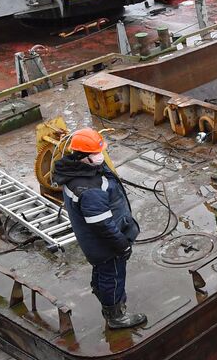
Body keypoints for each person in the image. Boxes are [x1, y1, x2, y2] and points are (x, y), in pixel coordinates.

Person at [51, 128, 147, 331]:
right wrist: (122, 245)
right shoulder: (89, 191)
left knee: (103, 271)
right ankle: (115, 316)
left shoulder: (76, 170)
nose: (100, 156)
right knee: (113, 276)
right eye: (95, 153)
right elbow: (102, 226)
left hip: (95, 244)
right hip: (106, 246)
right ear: (83, 156)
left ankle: (101, 291)